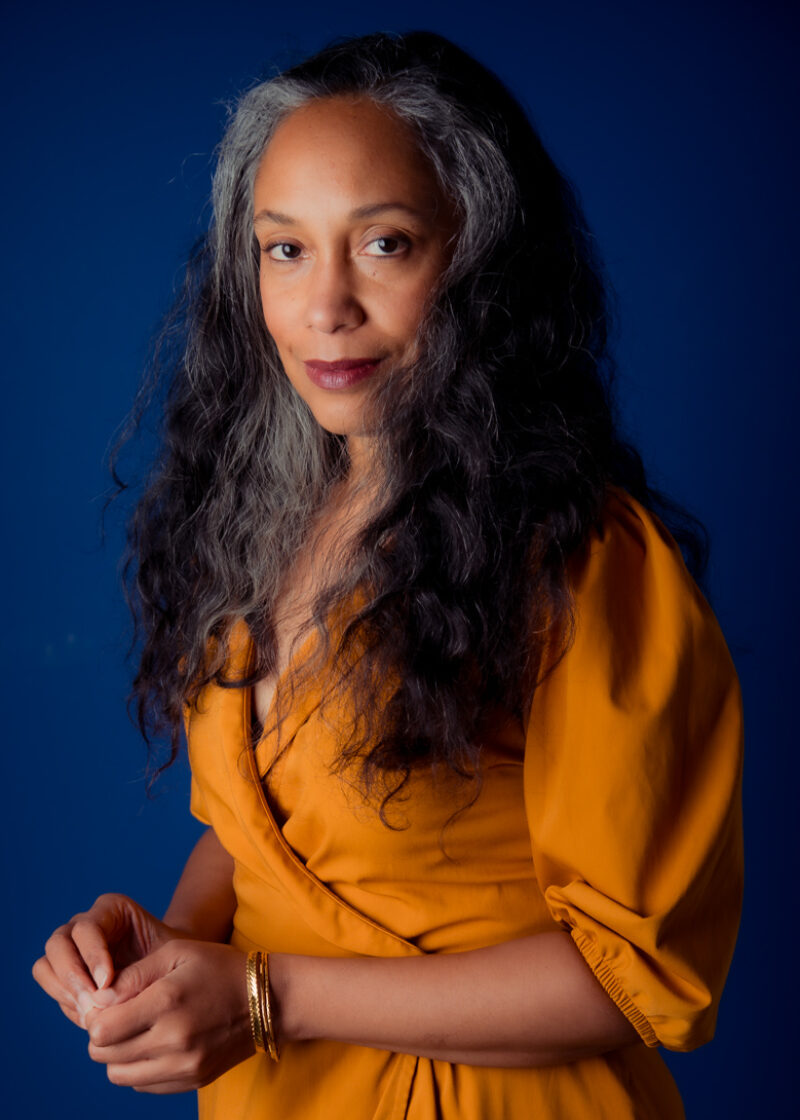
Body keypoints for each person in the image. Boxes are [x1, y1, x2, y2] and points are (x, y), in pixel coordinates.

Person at [32, 30, 743, 1119]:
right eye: (284, 248)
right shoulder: (260, 527)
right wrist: (170, 948)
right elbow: (255, 838)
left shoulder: (582, 560)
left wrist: (265, 998)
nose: (326, 306)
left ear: (478, 261)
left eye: (384, 244)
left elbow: (634, 977)